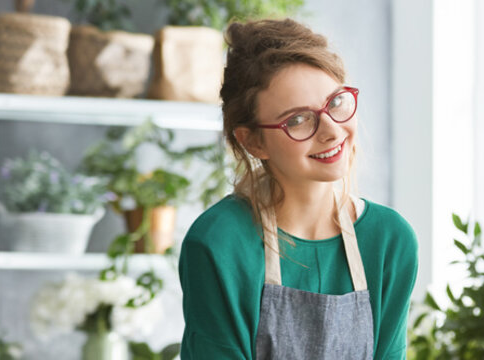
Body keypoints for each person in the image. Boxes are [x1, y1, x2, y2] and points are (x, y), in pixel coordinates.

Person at [178, 18, 418, 360]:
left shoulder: (389, 240)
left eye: (335, 102)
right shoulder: (219, 243)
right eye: (298, 119)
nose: (332, 131)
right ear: (254, 141)